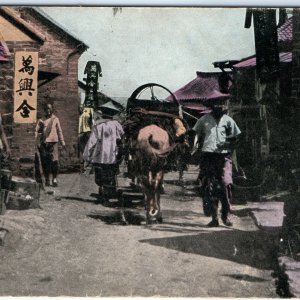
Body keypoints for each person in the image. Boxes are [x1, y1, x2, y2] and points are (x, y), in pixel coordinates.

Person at [192, 97, 241, 227]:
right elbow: (196, 135)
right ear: (212, 106)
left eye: (221, 105)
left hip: (224, 157)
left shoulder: (228, 120)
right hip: (208, 157)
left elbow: (235, 138)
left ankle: (225, 216)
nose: (219, 107)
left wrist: (228, 145)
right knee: (209, 186)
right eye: (216, 105)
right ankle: (214, 218)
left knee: (225, 184)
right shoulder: (203, 120)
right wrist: (196, 146)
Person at [83, 107, 124, 203]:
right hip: (113, 154)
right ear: (112, 115)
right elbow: (122, 135)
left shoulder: (99, 126)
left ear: (103, 114)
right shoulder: (117, 125)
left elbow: (92, 141)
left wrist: (87, 155)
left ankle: (103, 189)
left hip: (101, 155)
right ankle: (110, 190)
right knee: (111, 172)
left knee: (101, 173)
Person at [35, 102, 66, 187]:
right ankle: (47, 179)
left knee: (55, 162)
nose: (48, 110)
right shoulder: (41, 120)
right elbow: (36, 131)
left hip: (53, 143)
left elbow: (59, 131)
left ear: (52, 109)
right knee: (45, 162)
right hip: (44, 144)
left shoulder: (55, 119)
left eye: (49, 108)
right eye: (46, 109)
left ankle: (54, 179)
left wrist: (62, 142)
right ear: (44, 110)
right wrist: (37, 140)